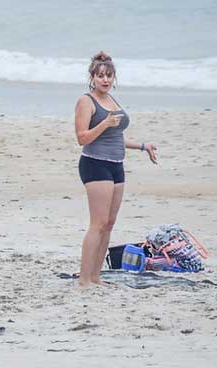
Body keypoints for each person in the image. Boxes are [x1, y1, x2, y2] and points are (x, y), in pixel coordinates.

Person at [74, 51, 158, 287]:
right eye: (100, 76)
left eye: (109, 76)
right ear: (92, 77)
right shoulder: (86, 101)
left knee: (109, 224)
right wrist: (104, 122)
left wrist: (143, 146)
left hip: (116, 166)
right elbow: (82, 138)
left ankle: (96, 277)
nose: (105, 80)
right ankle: (84, 280)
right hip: (95, 164)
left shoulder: (112, 101)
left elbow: (114, 138)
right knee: (97, 223)